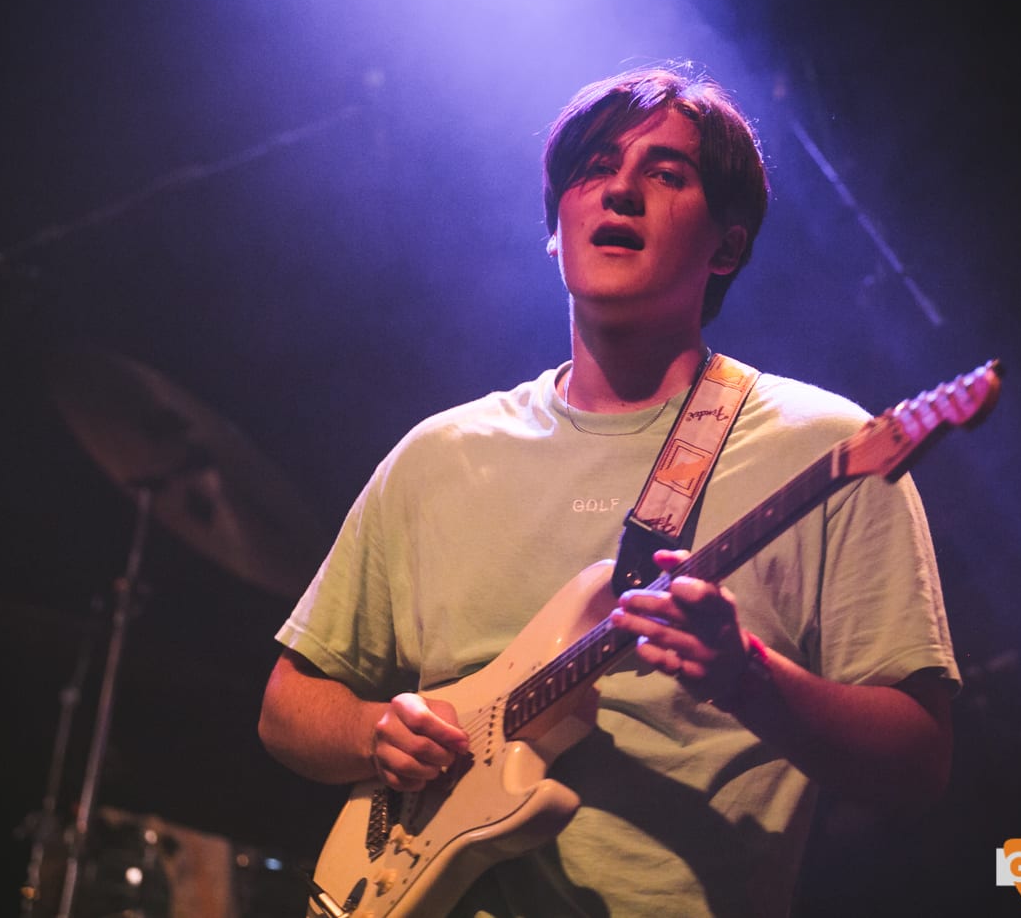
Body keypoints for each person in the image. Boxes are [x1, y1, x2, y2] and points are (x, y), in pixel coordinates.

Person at [258, 61, 959, 917]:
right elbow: (290, 704)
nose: (619, 191)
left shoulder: (827, 448)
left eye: (665, 173)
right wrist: (376, 733)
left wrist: (750, 680)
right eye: (594, 169)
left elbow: (919, 764)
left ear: (729, 245)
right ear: (555, 226)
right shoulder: (438, 455)